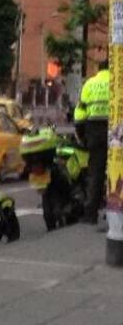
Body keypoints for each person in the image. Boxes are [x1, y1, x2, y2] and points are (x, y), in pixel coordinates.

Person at [76, 62, 110, 225]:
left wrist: (82, 135)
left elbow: (80, 112)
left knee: (95, 174)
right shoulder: (118, 81)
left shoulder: (90, 83)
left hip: (94, 131)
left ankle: (90, 215)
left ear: (99, 70)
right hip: (116, 131)